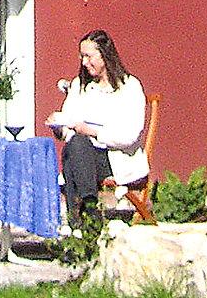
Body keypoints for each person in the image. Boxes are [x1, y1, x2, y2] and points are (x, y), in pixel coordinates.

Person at [48, 29, 148, 217]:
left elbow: (130, 135)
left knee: (73, 157)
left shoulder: (129, 87)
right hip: (85, 156)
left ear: (105, 55)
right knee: (76, 145)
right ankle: (90, 206)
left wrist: (92, 131)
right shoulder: (80, 85)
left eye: (89, 56)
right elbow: (69, 127)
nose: (84, 62)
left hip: (116, 158)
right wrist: (59, 127)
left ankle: (81, 221)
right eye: (82, 57)